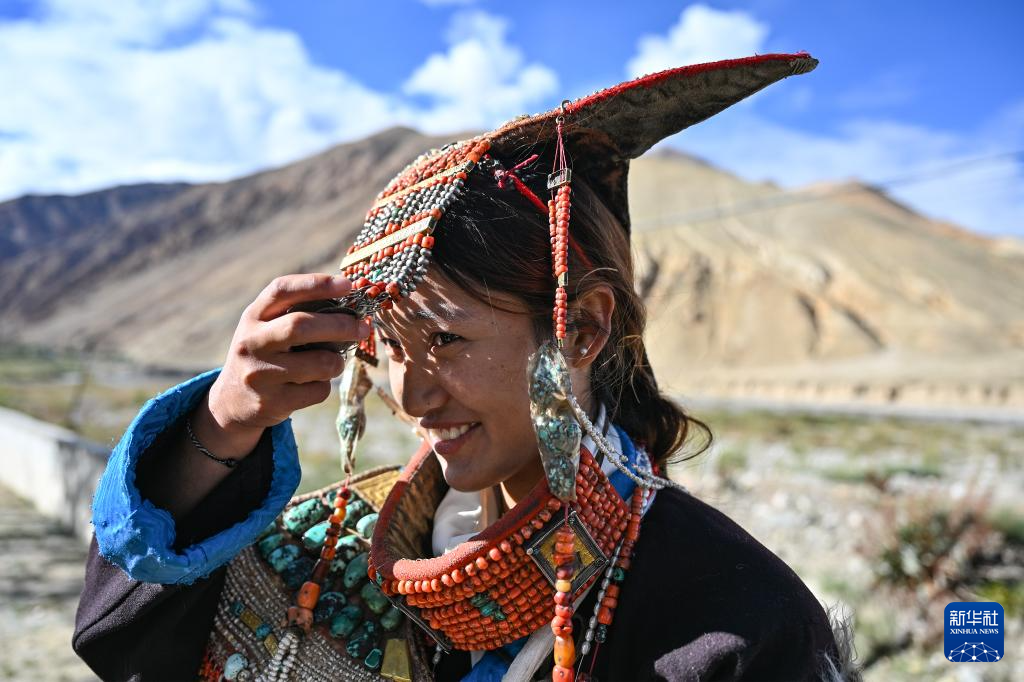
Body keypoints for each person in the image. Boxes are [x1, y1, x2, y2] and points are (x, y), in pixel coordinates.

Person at [74, 53, 858, 681]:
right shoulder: (336, 550)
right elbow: (130, 642)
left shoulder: (735, 618)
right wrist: (223, 423)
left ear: (581, 330)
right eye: (389, 346)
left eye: (446, 340)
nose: (411, 396)